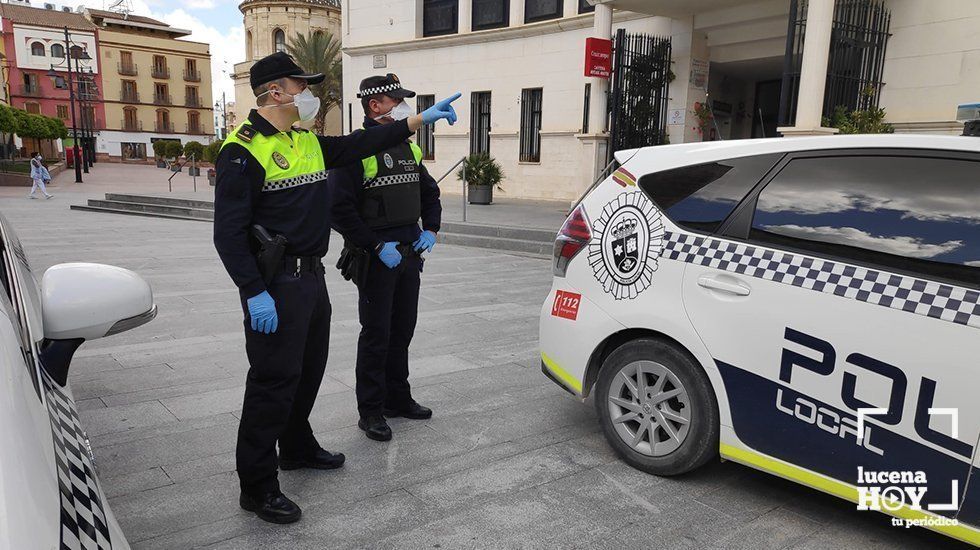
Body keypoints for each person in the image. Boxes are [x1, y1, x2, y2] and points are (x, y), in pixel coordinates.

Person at [212, 52, 460, 525]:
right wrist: (253, 290)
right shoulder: (242, 151)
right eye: (299, 85)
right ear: (274, 92)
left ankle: (298, 447)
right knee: (272, 381)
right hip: (276, 282)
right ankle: (257, 485)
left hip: (312, 276)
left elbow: (353, 147)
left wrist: (419, 121)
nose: (308, 94)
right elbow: (227, 234)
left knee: (309, 369)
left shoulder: (303, 140)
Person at [329, 74, 441, 442]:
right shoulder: (355, 150)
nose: (404, 107)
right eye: (397, 101)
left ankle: (398, 398)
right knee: (377, 334)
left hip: (409, 252)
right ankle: (371, 410)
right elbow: (339, 208)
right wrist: (375, 246)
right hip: (378, 257)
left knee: (402, 330)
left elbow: (429, 191)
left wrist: (431, 229)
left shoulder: (409, 147)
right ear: (374, 106)